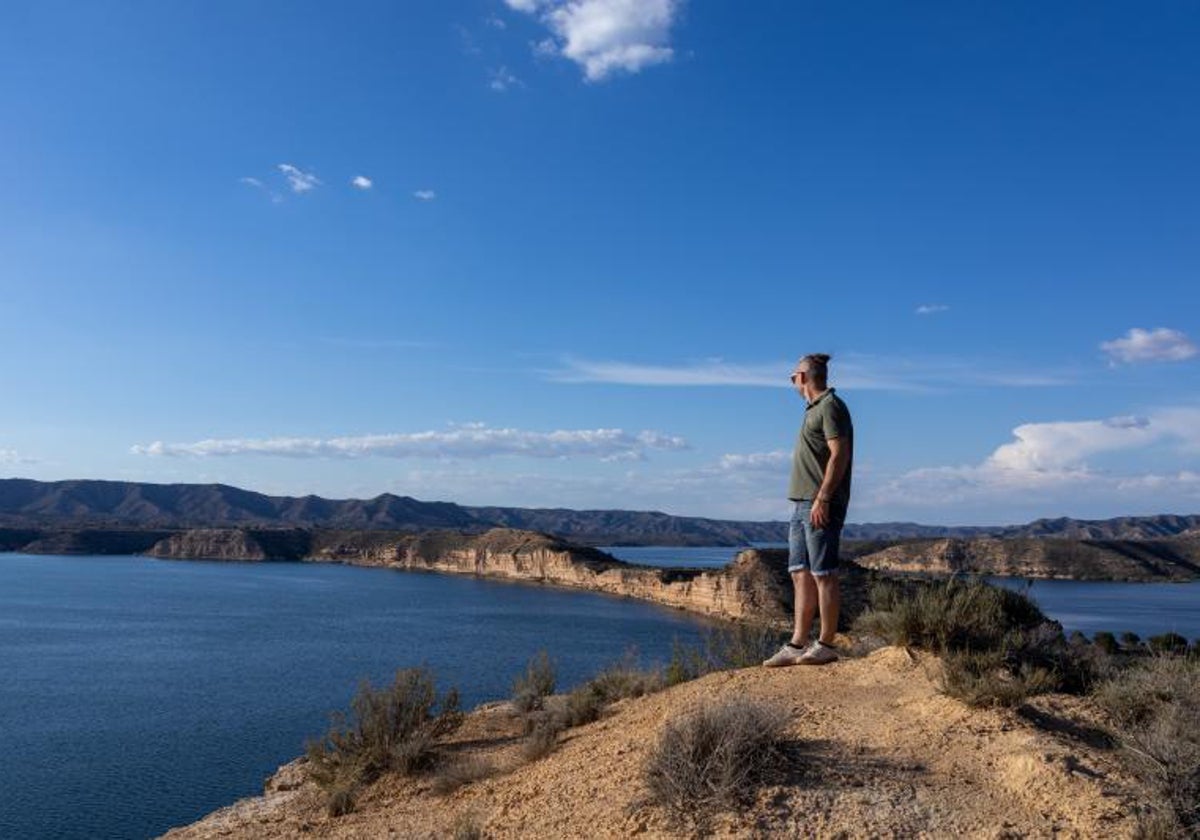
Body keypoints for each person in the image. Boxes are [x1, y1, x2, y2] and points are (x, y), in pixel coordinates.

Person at [763, 353, 853, 667]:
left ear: (803, 377)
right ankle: (797, 644)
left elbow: (839, 453)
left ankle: (826, 643)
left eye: (792, 376)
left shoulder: (830, 407)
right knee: (800, 573)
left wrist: (824, 497)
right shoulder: (814, 409)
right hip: (802, 503)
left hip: (819, 503)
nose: (791, 382)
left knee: (823, 573)